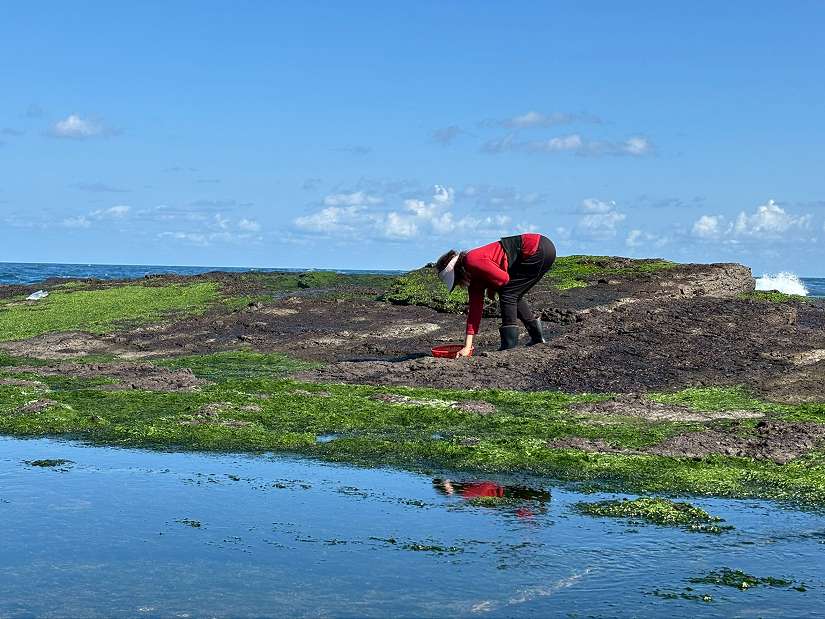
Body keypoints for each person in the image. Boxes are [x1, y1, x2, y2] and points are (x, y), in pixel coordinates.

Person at [435, 233, 556, 355]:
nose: (460, 284)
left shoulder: (471, 260)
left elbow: (503, 278)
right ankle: (537, 338)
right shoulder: (474, 281)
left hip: (536, 248)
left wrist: (492, 288)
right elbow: (474, 312)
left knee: (508, 293)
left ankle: (509, 346)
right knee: (513, 294)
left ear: (458, 272)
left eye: (457, 281)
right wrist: (467, 347)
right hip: (544, 249)